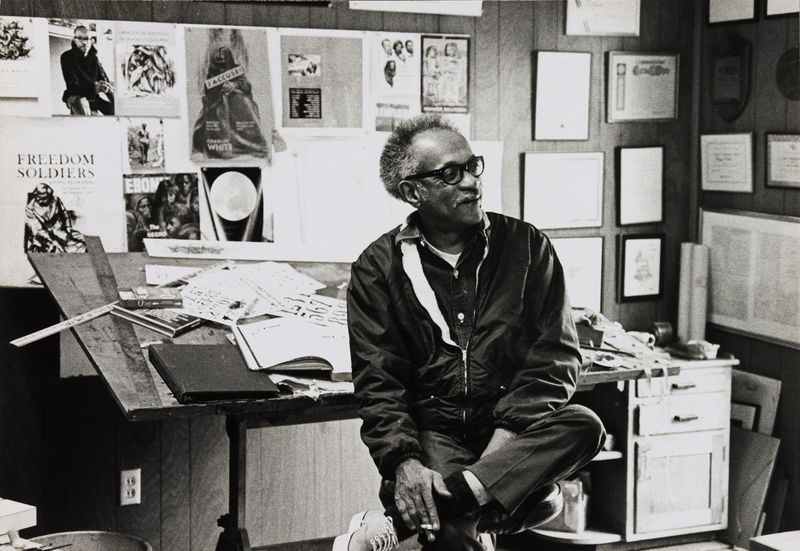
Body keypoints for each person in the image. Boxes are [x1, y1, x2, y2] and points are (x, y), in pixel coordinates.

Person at [335, 114, 605, 551]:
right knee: (457, 537)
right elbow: (378, 382)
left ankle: (400, 522)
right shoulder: (377, 269)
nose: (471, 182)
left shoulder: (527, 246)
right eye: (449, 174)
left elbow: (555, 357)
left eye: (472, 166)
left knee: (586, 426)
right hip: (435, 430)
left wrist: (505, 441)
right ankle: (501, 503)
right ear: (413, 192)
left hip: (511, 429)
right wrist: (404, 462)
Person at [59, 25, 114, 115]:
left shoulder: (94, 57)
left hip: (93, 96)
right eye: (80, 38)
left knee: (115, 108)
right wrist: (94, 88)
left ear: (91, 40)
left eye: (87, 39)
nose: (84, 42)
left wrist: (107, 88)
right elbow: (73, 86)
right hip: (76, 96)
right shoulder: (67, 57)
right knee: (77, 100)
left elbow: (103, 79)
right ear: (74, 40)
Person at [24, 183, 86, 253]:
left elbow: (64, 214)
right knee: (55, 248)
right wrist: (52, 240)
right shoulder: (30, 209)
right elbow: (37, 229)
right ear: (37, 196)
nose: (46, 201)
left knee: (77, 242)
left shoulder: (56, 200)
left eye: (48, 198)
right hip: (42, 234)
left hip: (57, 228)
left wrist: (68, 227)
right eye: (43, 198)